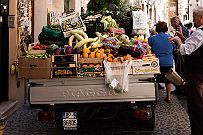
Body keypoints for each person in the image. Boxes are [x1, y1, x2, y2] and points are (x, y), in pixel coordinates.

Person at [169, 6, 203, 135]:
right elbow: (193, 46)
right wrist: (182, 38)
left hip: (196, 74)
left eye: (194, 17)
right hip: (199, 72)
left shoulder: (200, 32)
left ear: (201, 17)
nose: (193, 20)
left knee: (196, 106)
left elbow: (186, 50)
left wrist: (178, 41)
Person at [148, 21, 176, 103]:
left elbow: (148, 47)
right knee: (168, 80)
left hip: (157, 62)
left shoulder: (152, 38)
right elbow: (174, 48)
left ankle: (156, 96)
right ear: (166, 28)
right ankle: (168, 97)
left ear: (157, 29)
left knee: (156, 79)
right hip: (168, 62)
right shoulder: (170, 38)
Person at [170, 16, 190, 95]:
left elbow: (185, 40)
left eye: (172, 24)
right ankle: (179, 88)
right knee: (179, 71)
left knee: (181, 72)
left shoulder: (182, 29)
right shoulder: (180, 28)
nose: (172, 26)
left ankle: (182, 89)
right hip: (179, 52)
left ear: (176, 22)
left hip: (181, 54)